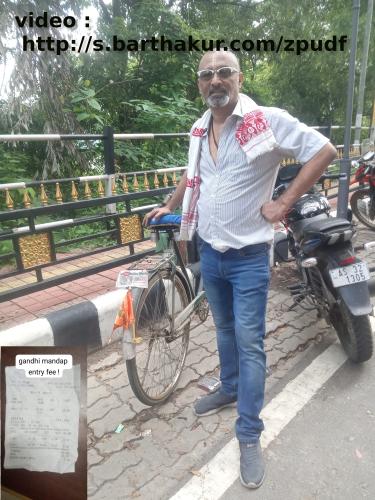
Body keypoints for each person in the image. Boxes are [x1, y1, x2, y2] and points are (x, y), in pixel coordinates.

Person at [144, 50, 336, 489]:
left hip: (249, 257)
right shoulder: (198, 128)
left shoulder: (263, 120)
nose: (216, 80)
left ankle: (249, 433)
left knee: (250, 344)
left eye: (224, 73)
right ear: (199, 84)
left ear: (239, 78)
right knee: (225, 332)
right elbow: (192, 176)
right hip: (210, 253)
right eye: (207, 75)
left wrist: (285, 202)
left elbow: (323, 150)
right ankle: (228, 388)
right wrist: (170, 205)